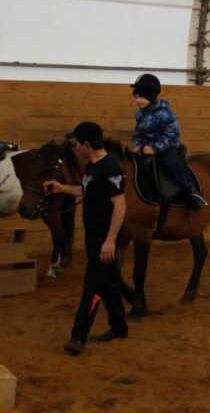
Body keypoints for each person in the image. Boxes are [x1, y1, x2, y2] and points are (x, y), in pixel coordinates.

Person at [45, 122, 128, 355]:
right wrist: (62, 187)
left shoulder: (110, 168)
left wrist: (110, 241)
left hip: (104, 237)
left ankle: (78, 337)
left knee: (92, 286)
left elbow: (120, 205)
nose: (75, 149)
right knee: (109, 282)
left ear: (87, 144)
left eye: (76, 145)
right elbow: (87, 191)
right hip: (94, 236)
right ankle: (119, 327)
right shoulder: (93, 166)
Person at [129, 73, 206, 210]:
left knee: (170, 164)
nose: (137, 100)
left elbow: (172, 135)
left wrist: (155, 148)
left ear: (151, 95)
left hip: (166, 147)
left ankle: (192, 190)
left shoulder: (164, 113)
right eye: (136, 97)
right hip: (145, 148)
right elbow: (137, 133)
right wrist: (136, 145)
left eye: (141, 97)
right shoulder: (139, 114)